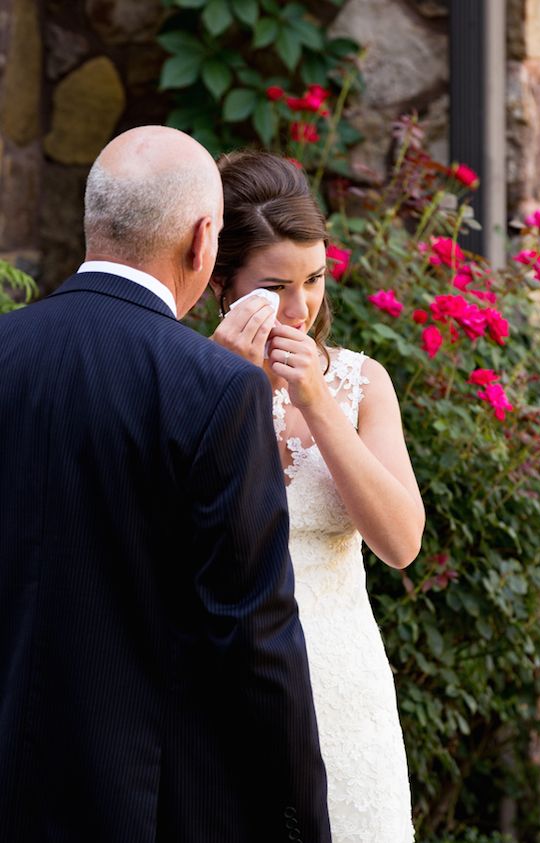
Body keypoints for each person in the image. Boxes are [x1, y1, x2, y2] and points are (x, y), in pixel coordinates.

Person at [0, 127, 331, 843]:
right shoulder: (215, 388)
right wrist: (302, 820)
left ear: (97, 220)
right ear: (202, 239)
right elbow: (254, 636)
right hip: (142, 801)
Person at [210, 150, 425, 843]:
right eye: (276, 287)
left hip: (343, 685)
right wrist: (225, 393)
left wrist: (319, 403)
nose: (302, 309)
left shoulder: (365, 384)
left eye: (315, 280)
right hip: (225, 688)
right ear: (223, 284)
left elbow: (399, 544)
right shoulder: (185, 380)